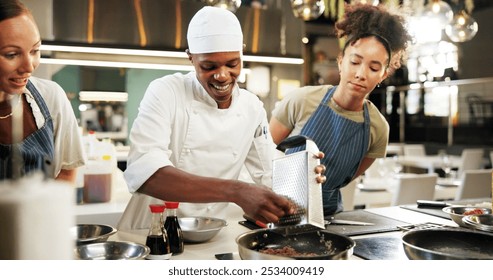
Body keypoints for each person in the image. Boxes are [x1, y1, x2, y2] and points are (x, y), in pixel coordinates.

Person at [118, 6, 325, 230]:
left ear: (242, 53)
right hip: (153, 231)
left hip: (211, 231)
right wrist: (235, 191)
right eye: (209, 66)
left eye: (232, 64)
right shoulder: (166, 92)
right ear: (191, 58)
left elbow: (268, 174)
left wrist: (302, 178)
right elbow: (146, 174)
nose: (222, 75)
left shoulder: (251, 107)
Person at [269, 3, 412, 216]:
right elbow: (262, 158)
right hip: (275, 210)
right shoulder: (300, 100)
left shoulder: (378, 128)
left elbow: (346, 178)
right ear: (340, 62)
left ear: (383, 75)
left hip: (330, 217)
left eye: (373, 68)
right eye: (355, 62)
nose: (361, 74)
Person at [0, 0, 85, 183]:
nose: (28, 67)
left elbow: (66, 171)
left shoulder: (51, 97)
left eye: (35, 50)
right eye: (11, 54)